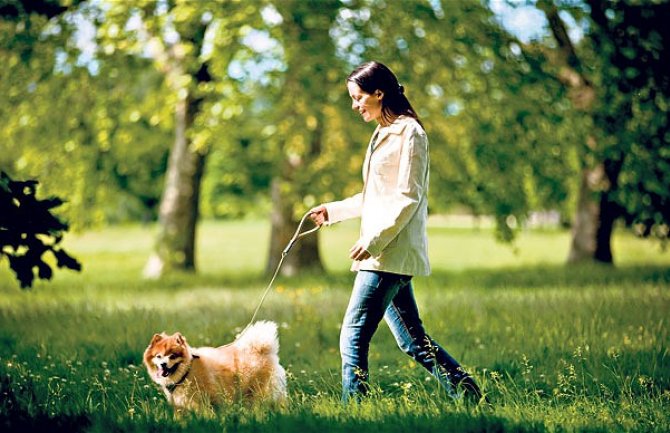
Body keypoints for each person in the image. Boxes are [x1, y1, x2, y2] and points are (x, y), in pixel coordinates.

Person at [309, 61, 483, 404]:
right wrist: (334, 211)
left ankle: (354, 409)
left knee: (353, 334)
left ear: (379, 93)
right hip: (384, 254)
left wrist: (373, 241)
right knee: (412, 340)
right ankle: (470, 395)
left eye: (358, 97)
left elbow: (407, 198)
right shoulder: (382, 133)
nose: (355, 105)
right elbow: (376, 196)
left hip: (388, 253)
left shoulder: (411, 134)